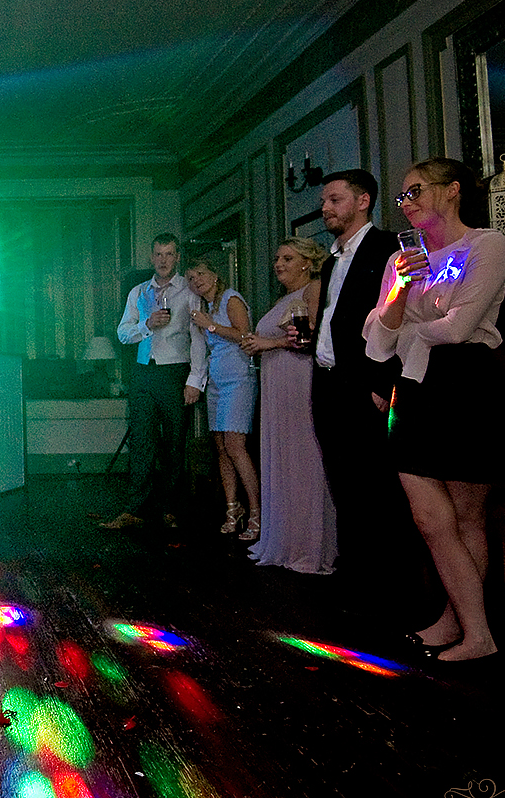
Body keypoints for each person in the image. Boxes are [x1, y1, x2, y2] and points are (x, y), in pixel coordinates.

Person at [364, 158, 505, 662]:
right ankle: (476, 630)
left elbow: (459, 328)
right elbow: (376, 344)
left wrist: (403, 330)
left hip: (468, 384)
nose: (406, 203)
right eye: (402, 196)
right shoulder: (399, 259)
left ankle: (466, 628)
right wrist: (402, 289)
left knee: (467, 517)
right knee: (430, 517)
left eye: (415, 191)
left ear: (452, 191)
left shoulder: (486, 245)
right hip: (415, 386)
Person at [309, 170, 428, 628]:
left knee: (376, 490)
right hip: (327, 384)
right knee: (343, 485)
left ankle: (386, 592)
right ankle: (354, 581)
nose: (325, 209)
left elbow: (400, 318)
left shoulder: (387, 249)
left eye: (334, 200)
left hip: (366, 385)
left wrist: (384, 382)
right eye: (324, 201)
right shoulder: (331, 260)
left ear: (363, 201)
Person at [240, 237, 338, 573]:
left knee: (303, 456)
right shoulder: (283, 298)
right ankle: (284, 538)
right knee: (282, 455)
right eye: (277, 258)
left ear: (306, 263)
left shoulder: (313, 289)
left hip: (298, 379)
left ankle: (308, 546)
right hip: (277, 382)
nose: (279, 264)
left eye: (287, 258)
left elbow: (312, 338)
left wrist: (270, 341)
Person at [102, 234, 208, 532]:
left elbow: (199, 339)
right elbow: (123, 334)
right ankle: (136, 509)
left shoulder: (189, 291)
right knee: (141, 443)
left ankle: (170, 509)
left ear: (177, 258)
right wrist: (147, 325)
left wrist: (194, 380)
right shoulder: (138, 292)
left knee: (175, 444)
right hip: (143, 372)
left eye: (169, 254)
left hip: (176, 372)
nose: (163, 260)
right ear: (152, 257)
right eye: (158, 254)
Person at [187, 252, 259, 541]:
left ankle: (257, 512)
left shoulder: (230, 299)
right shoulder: (206, 305)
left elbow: (245, 335)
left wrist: (210, 325)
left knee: (235, 446)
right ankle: (233, 508)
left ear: (215, 274)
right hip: (216, 382)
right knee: (221, 448)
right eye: (191, 278)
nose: (196, 282)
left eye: (201, 275)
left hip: (238, 380)